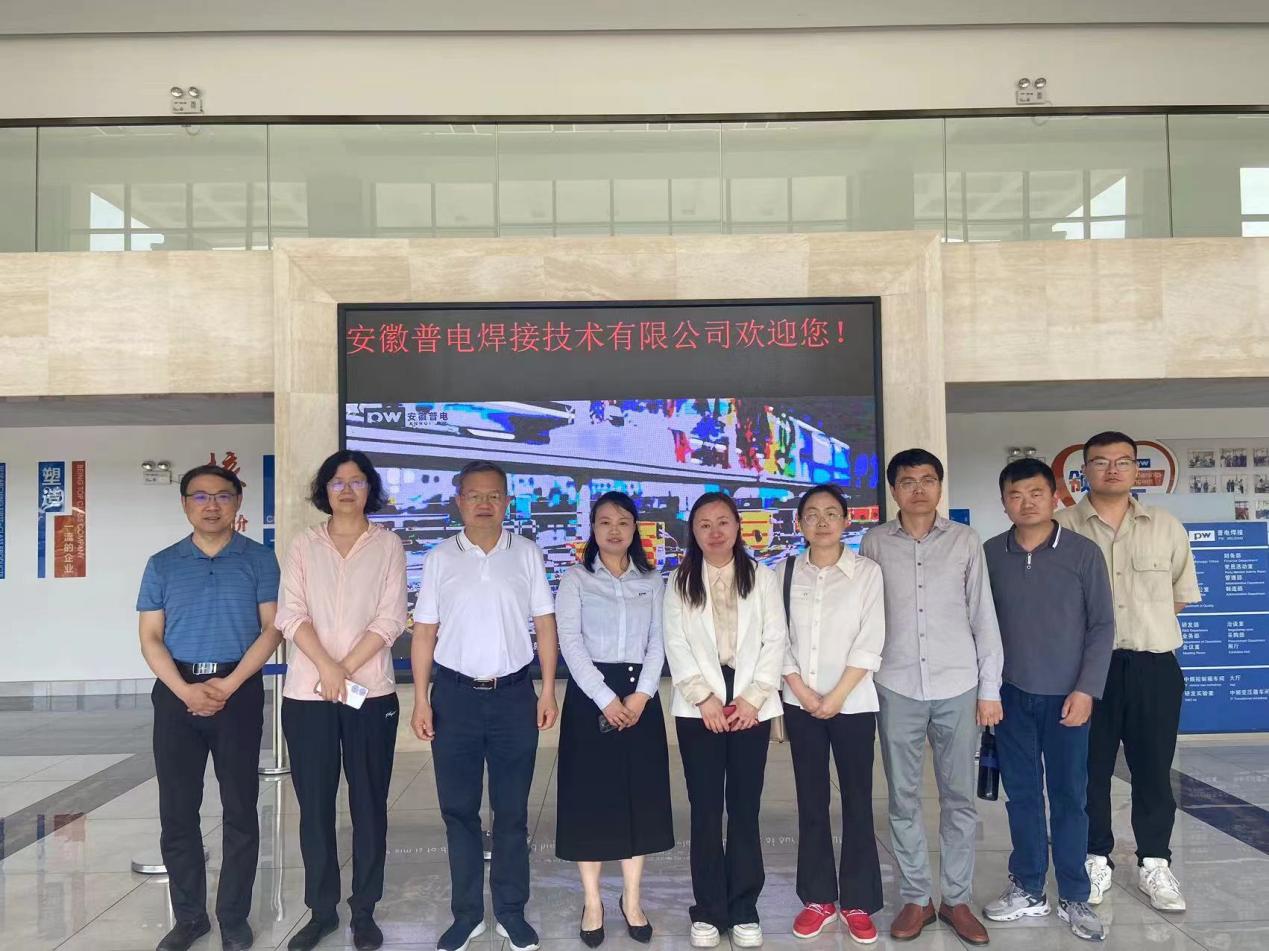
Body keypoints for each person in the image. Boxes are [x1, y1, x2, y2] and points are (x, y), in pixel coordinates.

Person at [409, 461, 559, 951]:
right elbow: (424, 633)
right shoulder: (439, 558)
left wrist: (548, 689)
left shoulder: (527, 553)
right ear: (459, 501)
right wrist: (421, 699)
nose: (484, 503)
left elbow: (545, 625)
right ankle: (468, 914)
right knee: (459, 811)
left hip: (514, 696)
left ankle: (511, 912)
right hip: (453, 699)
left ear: (507, 501)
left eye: (494, 495)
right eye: (474, 495)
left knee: (512, 812)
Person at [860, 449, 1002, 947]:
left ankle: (956, 899)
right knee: (902, 798)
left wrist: (989, 689)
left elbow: (983, 615)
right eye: (907, 481)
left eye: (927, 480)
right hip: (895, 684)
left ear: (940, 486)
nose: (918, 489)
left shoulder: (965, 541)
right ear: (893, 490)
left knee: (958, 797)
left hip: (958, 684)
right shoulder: (874, 542)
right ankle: (917, 898)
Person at [1054, 432, 1201, 911]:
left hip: (1152, 666)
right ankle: (1095, 857)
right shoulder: (1061, 527)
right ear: (1084, 472)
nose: (1112, 469)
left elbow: (1179, 596)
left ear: (1137, 469)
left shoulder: (1165, 526)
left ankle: (1155, 862)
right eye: (1100, 462)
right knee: (1089, 771)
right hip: (1085, 672)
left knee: (1154, 770)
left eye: (1122, 461)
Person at [137, 465, 281, 951]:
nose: (212, 505)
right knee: (178, 810)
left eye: (222, 495)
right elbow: (150, 637)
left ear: (238, 502)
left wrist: (230, 684)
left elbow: (272, 629)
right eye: (200, 496)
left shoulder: (260, 559)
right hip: (176, 693)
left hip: (238, 690)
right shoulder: (162, 564)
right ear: (184, 504)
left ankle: (233, 916)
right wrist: (185, 690)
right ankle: (190, 917)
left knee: (240, 807)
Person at [275, 450, 408, 951]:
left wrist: (344, 668)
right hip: (307, 696)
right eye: (337, 481)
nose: (347, 489)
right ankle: (322, 910)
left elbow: (390, 618)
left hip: (369, 694)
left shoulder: (388, 545)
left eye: (356, 481)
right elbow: (290, 614)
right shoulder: (304, 545)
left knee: (369, 804)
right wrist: (326, 668)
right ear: (324, 490)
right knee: (314, 807)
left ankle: (364, 909)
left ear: (370, 488)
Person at [982, 458, 1115, 942]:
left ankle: (1075, 894)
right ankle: (1028, 886)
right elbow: (979, 624)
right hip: (1010, 696)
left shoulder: (1082, 553)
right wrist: (987, 689)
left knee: (1069, 797)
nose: (1026, 503)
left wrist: (1087, 689)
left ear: (1055, 496)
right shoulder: (990, 554)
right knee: (1021, 795)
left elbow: (1102, 625)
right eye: (1015, 495)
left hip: (1067, 698)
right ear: (1003, 502)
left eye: (1036, 493)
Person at [663, 491, 787, 950]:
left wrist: (753, 699)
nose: (714, 532)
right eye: (704, 525)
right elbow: (675, 643)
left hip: (752, 700)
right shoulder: (679, 581)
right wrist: (704, 698)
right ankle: (709, 910)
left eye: (722, 522)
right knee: (705, 809)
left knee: (745, 808)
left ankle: (745, 907)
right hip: (700, 706)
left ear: (737, 527)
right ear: (693, 533)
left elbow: (776, 640)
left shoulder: (762, 577)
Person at [555, 491, 674, 947]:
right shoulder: (576, 578)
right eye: (605, 522)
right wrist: (606, 699)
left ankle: (632, 899)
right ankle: (592, 901)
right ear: (593, 527)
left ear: (635, 528)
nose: (614, 530)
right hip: (591, 698)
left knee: (639, 799)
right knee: (590, 801)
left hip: (641, 697)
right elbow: (570, 643)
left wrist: (642, 695)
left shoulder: (652, 579)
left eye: (623, 522)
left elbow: (659, 641)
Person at [781, 483, 885, 945]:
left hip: (854, 703)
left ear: (846, 521)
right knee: (811, 800)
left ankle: (858, 901)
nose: (821, 522)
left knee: (858, 801)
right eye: (812, 514)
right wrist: (803, 693)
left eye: (830, 513)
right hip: (800, 703)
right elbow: (776, 638)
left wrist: (837, 696)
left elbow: (871, 639)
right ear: (799, 523)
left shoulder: (867, 573)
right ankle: (818, 898)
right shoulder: (783, 573)